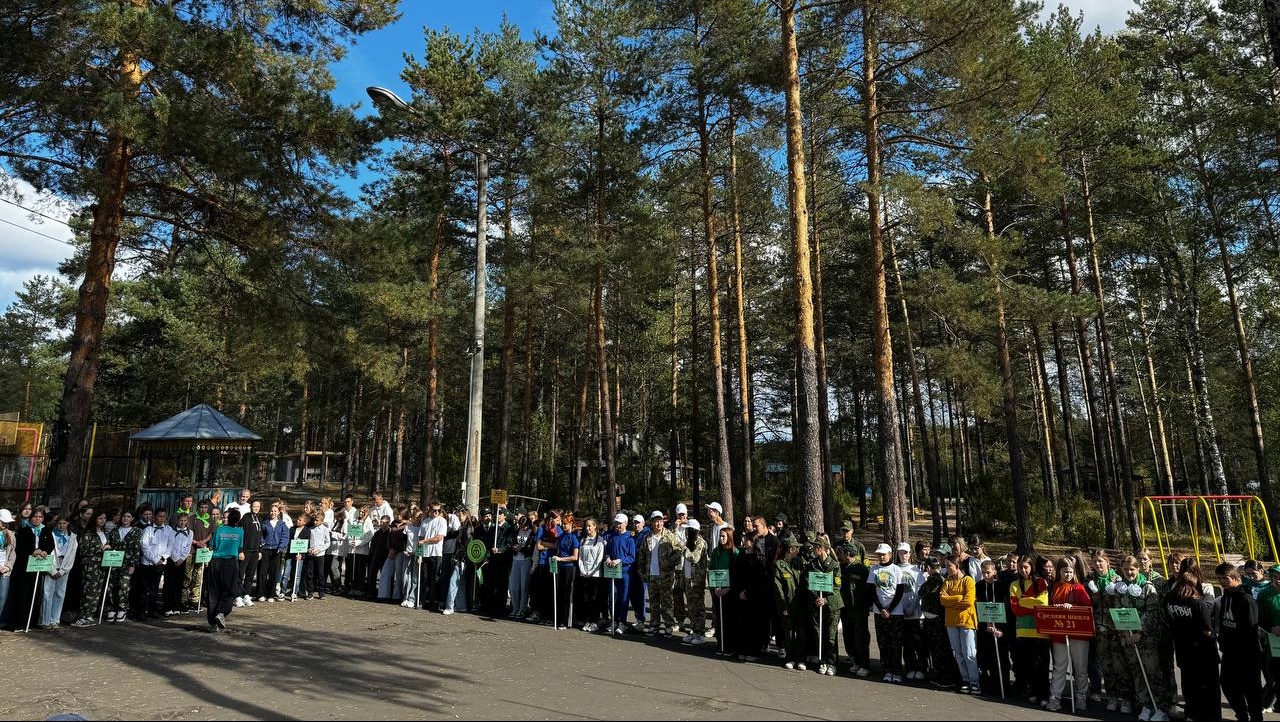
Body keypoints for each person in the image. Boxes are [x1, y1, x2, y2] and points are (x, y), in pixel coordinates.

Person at [1164, 561, 1218, 721]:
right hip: (1201, 648)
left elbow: (1167, 619)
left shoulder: (1169, 598)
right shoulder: (1197, 601)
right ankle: (1208, 715)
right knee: (1206, 685)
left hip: (1182, 646)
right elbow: (1207, 628)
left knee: (1188, 683)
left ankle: (1191, 713)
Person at [1216, 562, 1263, 722]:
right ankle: (1241, 715)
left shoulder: (1246, 598)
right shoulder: (1226, 596)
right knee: (1227, 684)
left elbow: (1251, 629)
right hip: (1230, 652)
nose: (1222, 581)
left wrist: (1246, 652)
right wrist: (1222, 642)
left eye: (1225, 578)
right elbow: (1223, 621)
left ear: (1235, 577)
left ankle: (1256, 717)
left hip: (1247, 654)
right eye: (1219, 578)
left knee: (1252, 691)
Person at [1045, 556, 1091, 711]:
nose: (1068, 575)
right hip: (1059, 634)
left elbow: (1087, 608)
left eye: (1070, 572)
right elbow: (1047, 607)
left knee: (1080, 667)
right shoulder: (1053, 587)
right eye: (1065, 571)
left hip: (1078, 634)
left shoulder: (1078, 588)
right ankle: (1055, 697)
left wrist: (1072, 606)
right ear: (1059, 572)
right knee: (1059, 666)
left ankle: (1080, 696)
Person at [2, 506, 52, 630]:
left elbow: (50, 545)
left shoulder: (46, 531)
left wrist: (45, 551)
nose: (38, 519)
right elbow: (20, 548)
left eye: (40, 517)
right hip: (23, 568)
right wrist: (32, 552)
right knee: (21, 594)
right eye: (35, 516)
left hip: (37, 568)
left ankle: (29, 622)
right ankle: (17, 622)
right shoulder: (25, 530)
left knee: (33, 594)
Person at [1009, 554, 1049, 705]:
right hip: (1023, 630)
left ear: (1031, 567)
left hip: (1040, 631)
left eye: (1026, 567)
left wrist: (1023, 601)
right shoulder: (1014, 585)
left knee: (1042, 665)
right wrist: (1031, 604)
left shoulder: (1040, 583)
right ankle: (1034, 692)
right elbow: (1016, 610)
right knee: (1028, 665)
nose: (1023, 570)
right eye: (1020, 567)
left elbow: (1042, 604)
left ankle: (1044, 694)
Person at [637, 509, 683, 636]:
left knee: (667, 602)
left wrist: (669, 563)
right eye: (656, 521)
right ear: (652, 523)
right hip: (651, 575)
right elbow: (641, 556)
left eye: (661, 521)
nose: (659, 524)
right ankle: (654, 625)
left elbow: (679, 552)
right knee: (653, 602)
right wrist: (641, 572)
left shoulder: (670, 535)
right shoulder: (647, 538)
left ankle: (669, 625)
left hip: (666, 576)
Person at [869, 542, 909, 682]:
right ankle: (887, 670)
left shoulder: (897, 570)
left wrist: (889, 609)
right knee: (883, 642)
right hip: (879, 612)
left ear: (890, 555)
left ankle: (897, 671)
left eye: (884, 554)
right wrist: (881, 609)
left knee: (896, 643)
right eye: (879, 555)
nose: (881, 557)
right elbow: (872, 591)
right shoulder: (874, 569)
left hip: (895, 612)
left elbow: (899, 591)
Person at [940, 553, 979, 694]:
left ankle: (975, 681)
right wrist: (958, 598)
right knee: (958, 653)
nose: (947, 568)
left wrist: (952, 602)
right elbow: (943, 600)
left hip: (967, 622)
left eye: (949, 565)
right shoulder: (947, 581)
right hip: (951, 622)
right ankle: (965, 680)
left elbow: (968, 601)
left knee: (969, 653)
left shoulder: (968, 581)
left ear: (957, 566)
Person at [807, 538, 842, 676]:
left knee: (830, 635)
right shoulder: (813, 564)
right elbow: (809, 582)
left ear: (821, 548)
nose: (813, 549)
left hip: (832, 605)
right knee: (819, 633)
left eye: (815, 547)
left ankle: (832, 662)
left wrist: (826, 599)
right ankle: (822, 661)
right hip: (817, 604)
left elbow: (837, 586)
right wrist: (816, 597)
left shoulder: (834, 565)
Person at [732, 531, 769, 661]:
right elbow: (736, 575)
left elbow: (760, 580)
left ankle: (754, 651)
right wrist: (739, 591)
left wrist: (748, 592)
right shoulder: (741, 556)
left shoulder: (759, 558)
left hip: (754, 597)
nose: (745, 541)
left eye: (747, 539)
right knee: (742, 623)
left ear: (753, 542)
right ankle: (742, 649)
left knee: (754, 625)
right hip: (741, 595)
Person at [975, 559, 1010, 696]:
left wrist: (999, 627)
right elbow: (978, 605)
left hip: (1000, 626)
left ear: (994, 572)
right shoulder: (979, 585)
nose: (985, 575)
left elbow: (1005, 606)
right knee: (986, 656)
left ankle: (1003, 685)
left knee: (1001, 657)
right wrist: (987, 624)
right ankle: (988, 685)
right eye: (983, 573)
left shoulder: (1001, 585)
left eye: (988, 572)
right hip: (985, 626)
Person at [206, 508, 245, 631]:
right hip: (230, 563)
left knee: (213, 593)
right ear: (238, 520)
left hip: (216, 562)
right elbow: (240, 547)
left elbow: (212, 546)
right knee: (230, 590)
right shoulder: (240, 531)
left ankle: (213, 624)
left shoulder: (219, 529)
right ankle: (221, 613)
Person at [838, 540, 873, 677]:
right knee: (849, 636)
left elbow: (869, 589)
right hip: (846, 608)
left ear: (848, 554)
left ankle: (865, 664)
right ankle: (856, 661)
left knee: (861, 638)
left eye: (841, 553)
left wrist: (867, 605)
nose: (839, 555)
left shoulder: (861, 569)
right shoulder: (842, 567)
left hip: (859, 608)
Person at [72, 510, 111, 627]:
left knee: (97, 590)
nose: (102, 521)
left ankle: (90, 614)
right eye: (100, 518)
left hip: (102, 565)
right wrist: (100, 549)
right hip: (90, 566)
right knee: (88, 589)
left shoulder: (105, 533)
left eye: (104, 518)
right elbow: (83, 550)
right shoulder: (87, 533)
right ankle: (84, 614)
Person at [918, 555, 951, 687]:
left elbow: (921, 592)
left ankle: (942, 676)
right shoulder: (940, 578)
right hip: (933, 617)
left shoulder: (935, 580)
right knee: (936, 648)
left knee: (938, 649)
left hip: (936, 618)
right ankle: (939, 674)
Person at [40, 514, 76, 629]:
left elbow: (72, 554)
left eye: (64, 523)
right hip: (52, 565)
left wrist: (64, 570)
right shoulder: (50, 534)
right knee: (47, 594)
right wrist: (52, 569)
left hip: (64, 567)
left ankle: (55, 619)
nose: (61, 526)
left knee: (60, 594)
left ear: (68, 524)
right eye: (59, 523)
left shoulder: (73, 537)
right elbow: (47, 551)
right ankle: (45, 620)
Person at [775, 539, 805, 670]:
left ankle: (801, 659)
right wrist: (783, 607)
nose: (798, 550)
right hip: (787, 605)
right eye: (796, 548)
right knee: (789, 633)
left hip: (801, 604)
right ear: (791, 549)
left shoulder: (799, 562)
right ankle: (790, 657)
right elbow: (778, 588)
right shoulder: (779, 565)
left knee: (801, 633)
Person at [604, 513, 635, 634]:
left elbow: (632, 557)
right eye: (616, 523)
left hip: (625, 572)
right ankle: (614, 621)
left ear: (626, 523)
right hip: (612, 571)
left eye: (620, 523)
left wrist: (620, 560)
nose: (618, 525)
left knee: (623, 598)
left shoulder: (630, 538)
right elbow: (607, 551)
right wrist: (607, 558)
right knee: (612, 597)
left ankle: (622, 622)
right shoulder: (612, 536)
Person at [709, 527, 737, 654]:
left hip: (729, 591)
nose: (721, 539)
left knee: (729, 619)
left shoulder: (734, 552)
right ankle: (721, 644)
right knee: (719, 618)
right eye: (720, 536)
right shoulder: (716, 552)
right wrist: (715, 587)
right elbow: (712, 570)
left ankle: (730, 646)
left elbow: (736, 573)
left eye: (724, 536)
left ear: (729, 537)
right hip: (717, 589)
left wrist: (728, 588)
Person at [550, 511, 579, 627]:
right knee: (560, 593)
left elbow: (575, 556)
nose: (564, 526)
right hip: (560, 567)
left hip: (569, 568)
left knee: (567, 594)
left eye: (566, 524)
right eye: (563, 523)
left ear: (571, 524)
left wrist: (561, 559)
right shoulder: (562, 536)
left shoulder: (574, 537)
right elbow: (556, 547)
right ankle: (559, 618)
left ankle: (567, 621)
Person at [681, 519, 708, 645]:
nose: (686, 531)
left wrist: (684, 549)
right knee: (691, 607)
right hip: (688, 579)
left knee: (698, 607)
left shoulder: (700, 542)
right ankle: (694, 631)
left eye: (688, 529)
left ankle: (700, 633)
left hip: (696, 581)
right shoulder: (689, 542)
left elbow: (695, 558)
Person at [577, 517, 606, 632]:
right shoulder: (583, 540)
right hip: (584, 573)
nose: (588, 528)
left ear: (595, 526)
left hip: (595, 575)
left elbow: (599, 559)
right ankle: (588, 621)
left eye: (590, 525)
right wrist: (583, 571)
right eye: (586, 526)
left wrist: (592, 572)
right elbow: (580, 558)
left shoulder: (600, 541)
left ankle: (594, 621)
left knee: (594, 598)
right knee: (586, 598)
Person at [162, 513, 192, 615]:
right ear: (177, 521)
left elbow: (188, 547)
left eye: (184, 521)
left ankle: (176, 606)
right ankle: (167, 606)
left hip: (182, 561)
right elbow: (170, 545)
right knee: (169, 584)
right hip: (171, 560)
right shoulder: (171, 531)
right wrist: (175, 558)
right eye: (181, 521)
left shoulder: (190, 532)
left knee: (179, 584)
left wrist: (181, 559)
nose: (182, 523)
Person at [508, 513, 536, 619]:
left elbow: (530, 548)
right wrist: (514, 547)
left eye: (524, 526)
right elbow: (511, 542)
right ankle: (515, 608)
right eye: (521, 525)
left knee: (524, 586)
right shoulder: (516, 532)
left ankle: (522, 609)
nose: (522, 528)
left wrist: (522, 549)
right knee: (513, 586)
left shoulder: (531, 534)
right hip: (516, 559)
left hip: (526, 560)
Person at [237, 499, 263, 607]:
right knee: (240, 574)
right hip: (246, 550)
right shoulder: (245, 518)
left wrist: (260, 550)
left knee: (250, 575)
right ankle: (237, 596)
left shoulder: (259, 519)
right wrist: (241, 550)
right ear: (250, 507)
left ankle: (246, 594)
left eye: (258, 506)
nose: (256, 508)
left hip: (255, 551)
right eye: (254, 506)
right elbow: (241, 535)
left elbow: (260, 536)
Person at [306, 506, 330, 599]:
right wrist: (309, 549)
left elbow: (327, 542)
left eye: (317, 520)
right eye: (314, 520)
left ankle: (321, 592)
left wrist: (320, 550)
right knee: (310, 573)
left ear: (322, 521)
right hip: (311, 554)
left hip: (320, 554)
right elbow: (309, 541)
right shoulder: (311, 529)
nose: (315, 522)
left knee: (320, 574)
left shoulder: (325, 530)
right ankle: (310, 592)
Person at [0, 509, 12, 622]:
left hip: (5, 570)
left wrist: (8, 566)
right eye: (2, 521)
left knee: (3, 597)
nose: (4, 524)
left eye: (6, 522)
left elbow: (12, 554)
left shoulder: (11, 535)